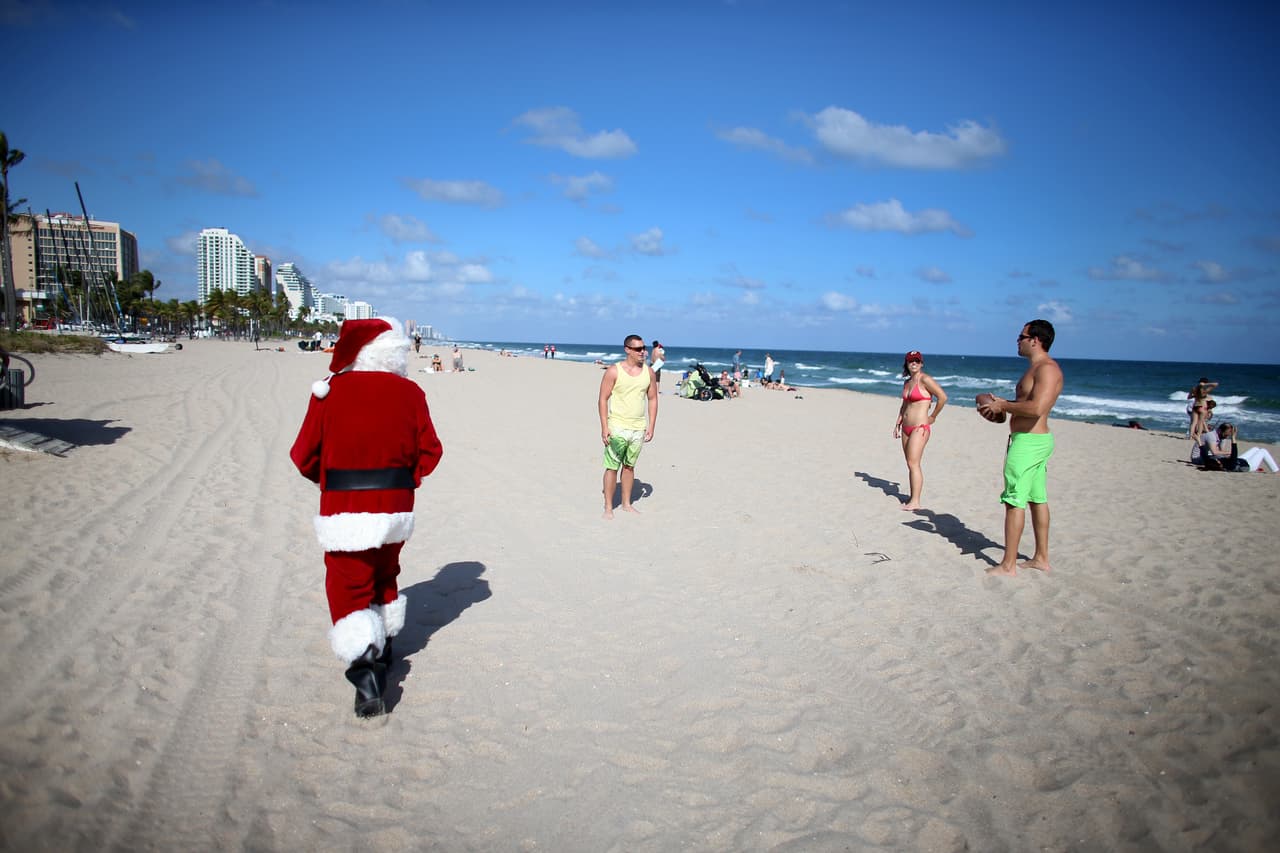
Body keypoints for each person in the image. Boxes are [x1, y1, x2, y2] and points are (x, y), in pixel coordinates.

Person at [290, 318, 444, 718]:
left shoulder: (331, 390)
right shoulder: (411, 392)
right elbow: (431, 452)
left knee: (348, 583)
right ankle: (385, 645)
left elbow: (303, 455)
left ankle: (366, 671)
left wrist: (327, 479)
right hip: (396, 502)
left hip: (344, 504)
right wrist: (406, 479)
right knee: (384, 571)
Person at [978, 320, 1064, 577]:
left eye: (1021, 336)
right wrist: (999, 405)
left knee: (1014, 500)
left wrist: (1004, 405)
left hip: (1029, 442)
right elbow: (1027, 403)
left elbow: (1037, 408)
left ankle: (1008, 565)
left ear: (1035, 340)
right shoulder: (1037, 368)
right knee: (1037, 499)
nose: (1017, 340)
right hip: (1032, 440)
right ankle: (1041, 558)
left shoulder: (1047, 369)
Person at [598, 334, 658, 519]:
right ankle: (608, 507)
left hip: (638, 428)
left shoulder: (649, 372)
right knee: (612, 467)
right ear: (627, 350)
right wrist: (604, 427)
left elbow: (653, 399)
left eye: (644, 348)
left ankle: (626, 504)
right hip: (617, 427)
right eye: (638, 349)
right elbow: (602, 399)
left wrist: (651, 426)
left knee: (629, 466)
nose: (643, 352)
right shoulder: (614, 371)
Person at [892, 350, 948, 510]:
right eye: (911, 361)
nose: (914, 363)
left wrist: (933, 416)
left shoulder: (925, 379)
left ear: (921, 363)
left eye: (917, 361)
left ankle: (915, 501)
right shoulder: (907, 382)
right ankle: (913, 497)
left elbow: (943, 397)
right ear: (907, 364)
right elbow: (905, 405)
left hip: (920, 427)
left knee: (913, 462)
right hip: (906, 427)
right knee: (910, 463)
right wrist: (898, 422)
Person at [1194, 423, 1279, 472]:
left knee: (1256, 449)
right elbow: (1234, 454)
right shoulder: (1229, 465)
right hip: (1249, 465)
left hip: (1241, 461)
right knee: (1263, 451)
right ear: (1219, 464)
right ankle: (1275, 470)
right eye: (1217, 460)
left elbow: (1204, 454)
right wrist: (1233, 438)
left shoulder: (1210, 462)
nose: (1217, 459)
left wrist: (1199, 441)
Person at [1187, 377, 1218, 442]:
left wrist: (1194, 395)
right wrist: (1205, 385)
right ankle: (1198, 436)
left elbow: (1189, 397)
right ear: (1206, 383)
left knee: (1193, 423)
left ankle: (1190, 436)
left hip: (1195, 406)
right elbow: (1215, 384)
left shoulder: (1194, 388)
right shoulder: (1205, 390)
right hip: (1203, 407)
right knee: (1201, 422)